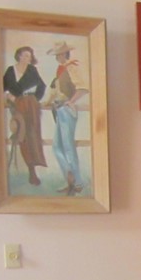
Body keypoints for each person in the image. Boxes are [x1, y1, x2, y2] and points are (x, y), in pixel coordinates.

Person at [44, 41, 88, 195]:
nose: (57, 58)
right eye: (56, 55)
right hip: (59, 109)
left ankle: (78, 182)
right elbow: (56, 90)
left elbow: (83, 88)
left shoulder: (72, 68)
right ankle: (70, 177)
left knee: (68, 147)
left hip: (66, 110)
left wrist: (71, 101)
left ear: (64, 54)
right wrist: (48, 103)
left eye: (59, 55)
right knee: (57, 147)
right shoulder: (61, 70)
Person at [2, 46, 47, 186]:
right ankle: (30, 169)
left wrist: (34, 99)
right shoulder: (11, 70)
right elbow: (0, 87)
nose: (27, 58)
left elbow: (42, 86)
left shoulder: (32, 70)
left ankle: (32, 171)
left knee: (32, 135)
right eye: (25, 55)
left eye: (29, 56)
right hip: (16, 107)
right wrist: (8, 96)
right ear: (19, 56)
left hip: (29, 106)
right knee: (22, 135)